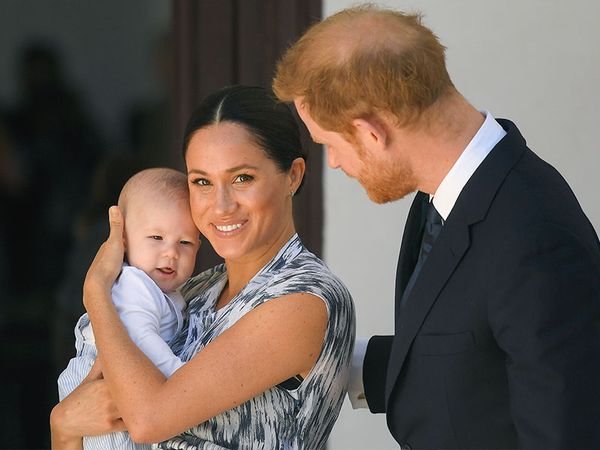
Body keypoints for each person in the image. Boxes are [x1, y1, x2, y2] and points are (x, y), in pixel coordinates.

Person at [273, 5, 600, 450]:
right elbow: (469, 361)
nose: (333, 163)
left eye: (329, 144)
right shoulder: (446, 193)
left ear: (371, 133)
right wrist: (317, 357)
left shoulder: (535, 237)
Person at [50, 85, 356, 450]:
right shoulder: (192, 292)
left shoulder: (303, 298)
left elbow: (148, 420)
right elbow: (90, 427)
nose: (221, 205)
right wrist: (62, 425)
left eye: (243, 178)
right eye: (202, 182)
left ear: (293, 175)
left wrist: (96, 292)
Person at [57, 167, 200, 450]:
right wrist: (182, 380)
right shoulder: (135, 285)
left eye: (184, 242)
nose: (171, 253)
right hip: (101, 383)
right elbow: (141, 339)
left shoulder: (168, 292)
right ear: (123, 240)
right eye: (156, 238)